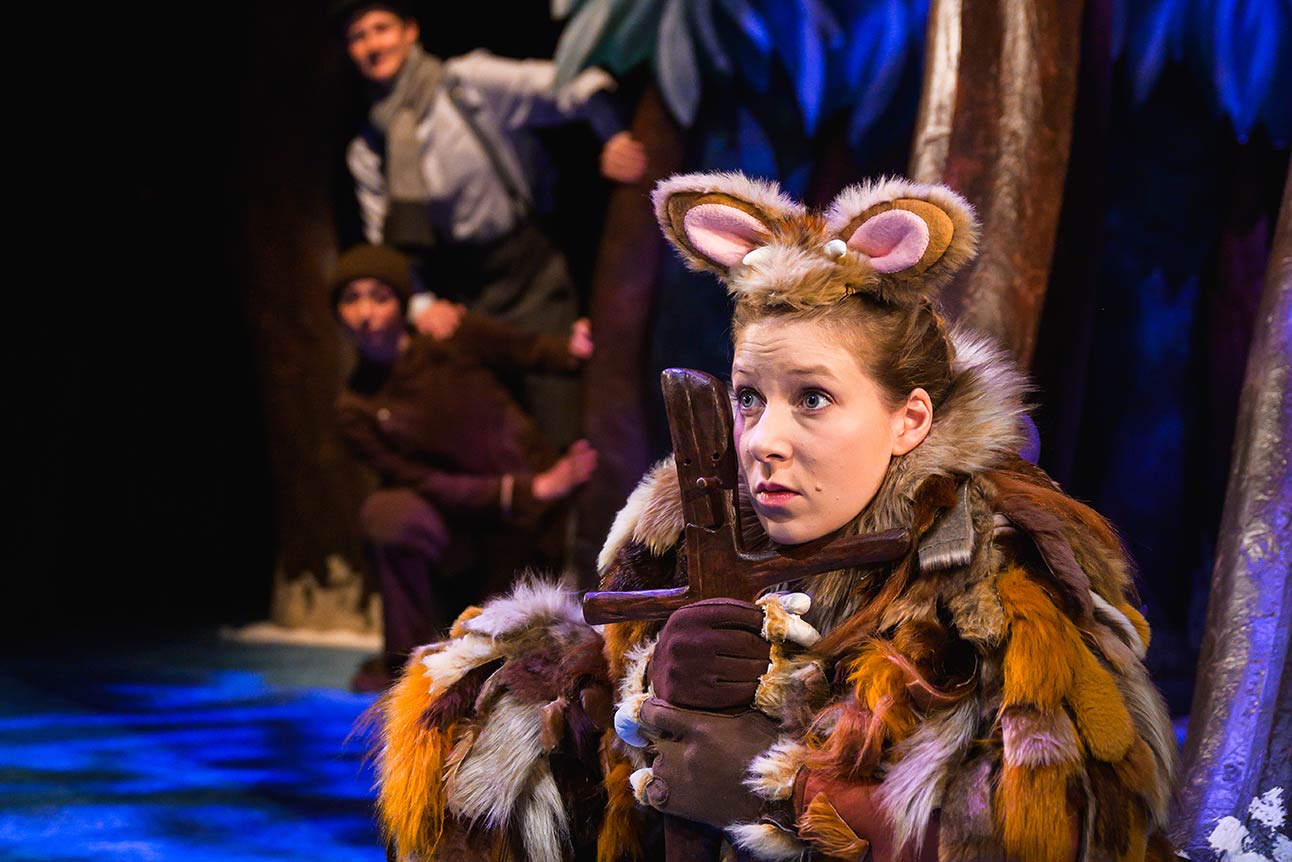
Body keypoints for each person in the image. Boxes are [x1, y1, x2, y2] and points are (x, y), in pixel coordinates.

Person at [370, 175, 1180, 862]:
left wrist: (792, 786)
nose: (764, 441)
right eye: (750, 397)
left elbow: (1083, 829)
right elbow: (609, 777)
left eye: (814, 399)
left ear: (911, 419)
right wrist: (638, 695)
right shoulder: (681, 526)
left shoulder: (998, 567)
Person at [338, 0, 648, 447]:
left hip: (529, 267)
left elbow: (572, 83)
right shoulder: (369, 148)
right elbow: (385, 249)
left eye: (381, 29)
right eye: (357, 37)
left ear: (410, 30)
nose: (371, 45)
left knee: (565, 414)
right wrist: (421, 304)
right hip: (465, 291)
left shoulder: (466, 83)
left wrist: (614, 135)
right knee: (507, 435)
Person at [330, 243, 597, 692]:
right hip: (471, 515)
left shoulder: (448, 336)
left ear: (401, 303)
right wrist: (526, 490)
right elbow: (424, 483)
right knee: (387, 514)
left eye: (379, 296)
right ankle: (409, 670)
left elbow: (528, 350)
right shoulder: (355, 405)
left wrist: (574, 346)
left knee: (521, 658)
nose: (365, 313)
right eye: (351, 299)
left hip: (528, 508)